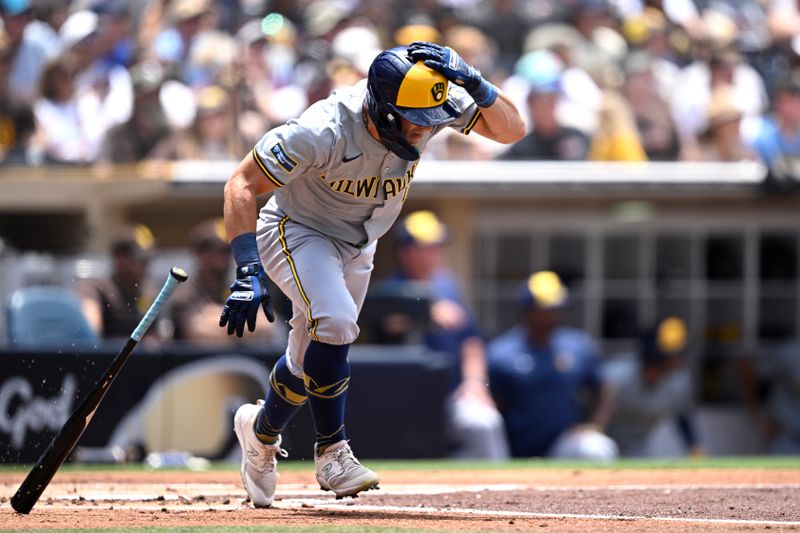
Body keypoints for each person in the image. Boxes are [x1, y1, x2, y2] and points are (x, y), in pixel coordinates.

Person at [219, 42, 524, 507]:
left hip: (360, 243)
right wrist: (247, 266)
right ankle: (332, 453)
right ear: (382, 109)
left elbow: (511, 131)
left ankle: (259, 434)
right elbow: (241, 183)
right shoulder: (322, 127)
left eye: (431, 117)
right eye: (414, 119)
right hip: (297, 228)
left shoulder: (429, 103)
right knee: (338, 322)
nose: (426, 127)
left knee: (306, 365)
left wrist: (476, 81)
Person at [377, 210, 509, 460]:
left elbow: (471, 340)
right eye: (428, 247)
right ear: (406, 251)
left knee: (485, 422)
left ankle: (499, 493)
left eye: (439, 245)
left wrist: (475, 382)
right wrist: (426, 309)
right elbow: (391, 324)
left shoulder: (447, 285)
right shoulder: (391, 288)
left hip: (451, 396)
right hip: (408, 401)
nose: (438, 252)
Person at [488, 271, 618, 460]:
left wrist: (595, 425)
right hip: (511, 447)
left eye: (556, 308)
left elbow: (605, 389)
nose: (552, 315)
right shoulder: (502, 353)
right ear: (527, 310)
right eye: (544, 310)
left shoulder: (578, 346)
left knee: (596, 448)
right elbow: (492, 404)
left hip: (562, 443)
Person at [169, 218, 284, 345]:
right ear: (200, 254)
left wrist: (214, 316)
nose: (226, 257)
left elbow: (266, 324)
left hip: (236, 362)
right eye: (218, 251)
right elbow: (198, 332)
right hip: (197, 363)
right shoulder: (185, 292)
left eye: (229, 251)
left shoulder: (238, 287)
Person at [603, 317, 704, 457]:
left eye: (679, 352)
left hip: (636, 447)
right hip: (601, 442)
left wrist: (694, 449)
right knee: (593, 449)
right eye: (672, 353)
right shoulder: (618, 374)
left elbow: (683, 418)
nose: (678, 358)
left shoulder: (678, 383)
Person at [75, 223, 159, 340]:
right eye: (140, 260)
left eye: (147, 260)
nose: (145, 266)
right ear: (119, 258)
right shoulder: (95, 289)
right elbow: (90, 333)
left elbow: (154, 342)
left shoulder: (149, 291)